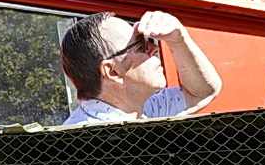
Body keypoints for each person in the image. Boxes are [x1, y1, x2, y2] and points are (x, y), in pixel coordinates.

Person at [59, 10, 221, 125]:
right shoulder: (81, 143)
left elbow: (203, 91)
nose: (154, 48)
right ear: (113, 71)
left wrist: (179, 39)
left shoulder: (140, 109)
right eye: (140, 46)